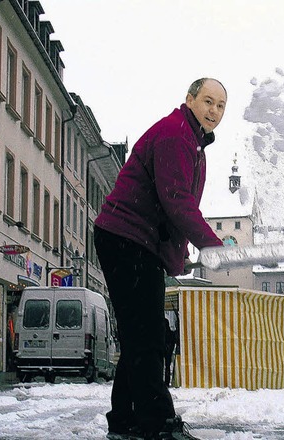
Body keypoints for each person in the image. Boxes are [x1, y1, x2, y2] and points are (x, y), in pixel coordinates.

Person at [94, 78, 227, 440]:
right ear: (190, 100)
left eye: (220, 106)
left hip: (134, 241)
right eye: (208, 101)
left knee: (142, 335)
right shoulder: (176, 135)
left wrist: (180, 256)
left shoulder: (191, 141)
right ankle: (159, 425)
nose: (214, 111)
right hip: (126, 238)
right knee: (148, 336)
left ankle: (125, 420)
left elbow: (171, 210)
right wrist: (211, 244)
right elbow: (176, 200)